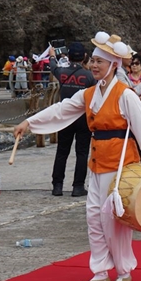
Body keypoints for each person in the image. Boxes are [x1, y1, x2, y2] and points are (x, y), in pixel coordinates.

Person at [13, 31, 141, 281]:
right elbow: (62, 109)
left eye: (100, 62)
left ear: (113, 65)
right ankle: (100, 271)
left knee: (114, 219)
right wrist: (30, 122)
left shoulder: (125, 94)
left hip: (120, 163)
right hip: (97, 164)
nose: (94, 66)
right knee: (94, 217)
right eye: (93, 61)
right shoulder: (90, 94)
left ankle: (123, 269)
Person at [48, 42, 96, 197]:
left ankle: (57, 185)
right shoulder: (89, 76)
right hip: (83, 117)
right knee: (82, 153)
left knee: (62, 151)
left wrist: (52, 56)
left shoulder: (62, 72)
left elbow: (53, 66)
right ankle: (78, 186)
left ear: (68, 56)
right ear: (84, 57)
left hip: (65, 117)